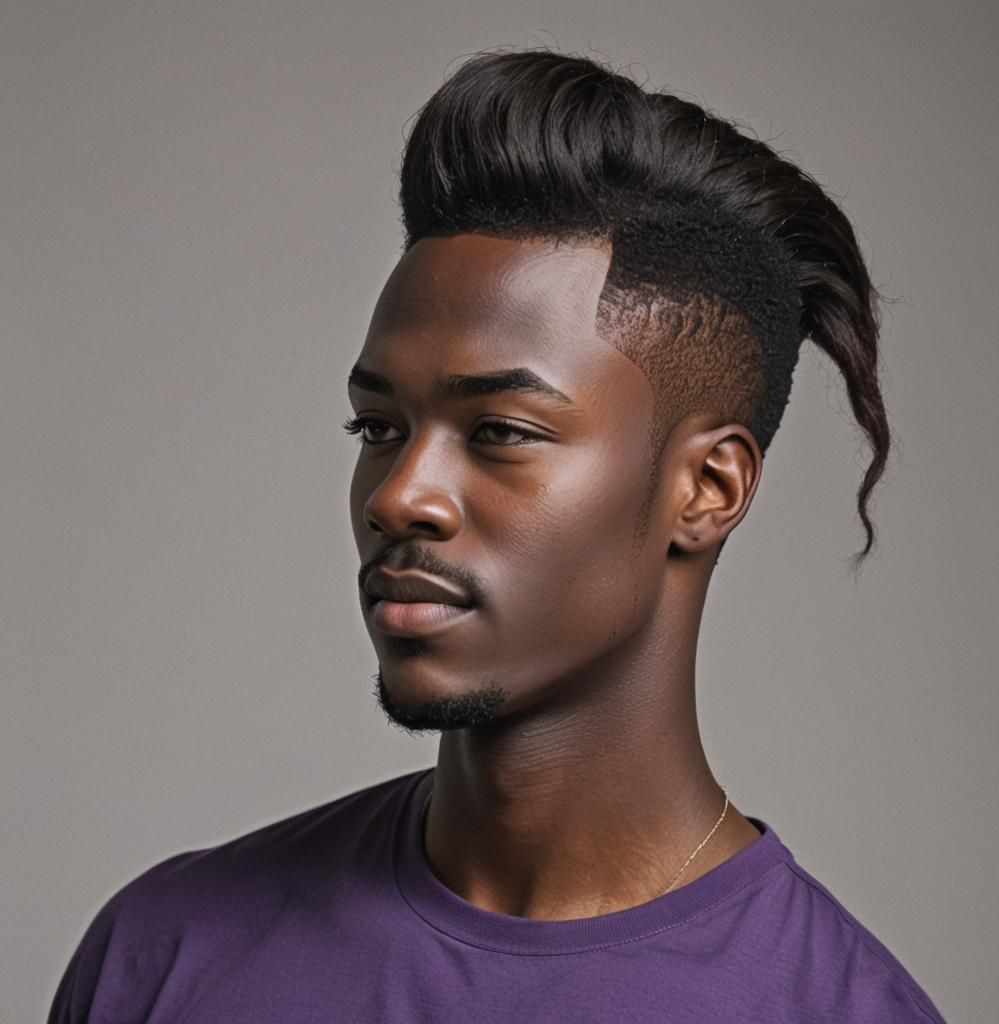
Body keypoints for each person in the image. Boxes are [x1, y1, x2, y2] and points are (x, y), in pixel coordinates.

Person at [48, 49, 948, 1023]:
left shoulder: (838, 1008)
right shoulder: (167, 954)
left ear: (706, 487)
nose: (400, 496)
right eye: (378, 427)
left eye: (499, 433)